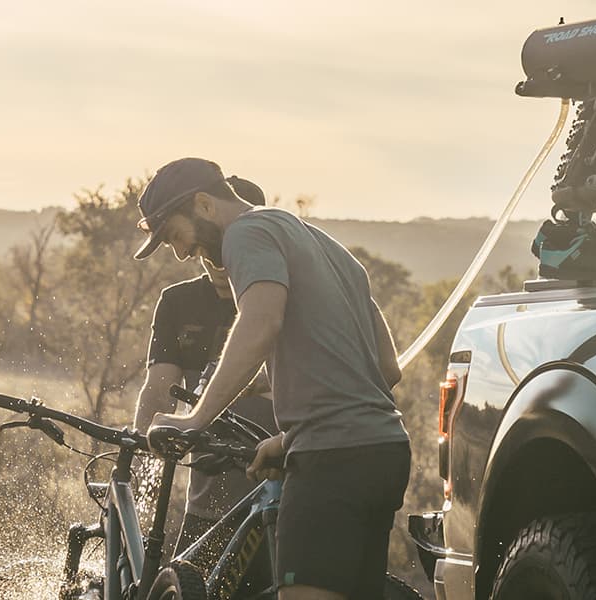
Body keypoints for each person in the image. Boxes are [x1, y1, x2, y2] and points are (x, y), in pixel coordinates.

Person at [138, 157, 409, 600]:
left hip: (331, 462)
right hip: (383, 452)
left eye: (174, 236)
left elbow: (261, 323)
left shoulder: (245, 233)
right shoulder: (324, 244)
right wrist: (286, 440)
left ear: (203, 204)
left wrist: (195, 420)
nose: (182, 252)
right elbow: (386, 368)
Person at [133, 175, 280, 557]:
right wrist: (141, 442)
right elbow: (158, 387)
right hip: (208, 498)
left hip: (277, 484)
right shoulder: (178, 301)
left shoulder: (274, 296)